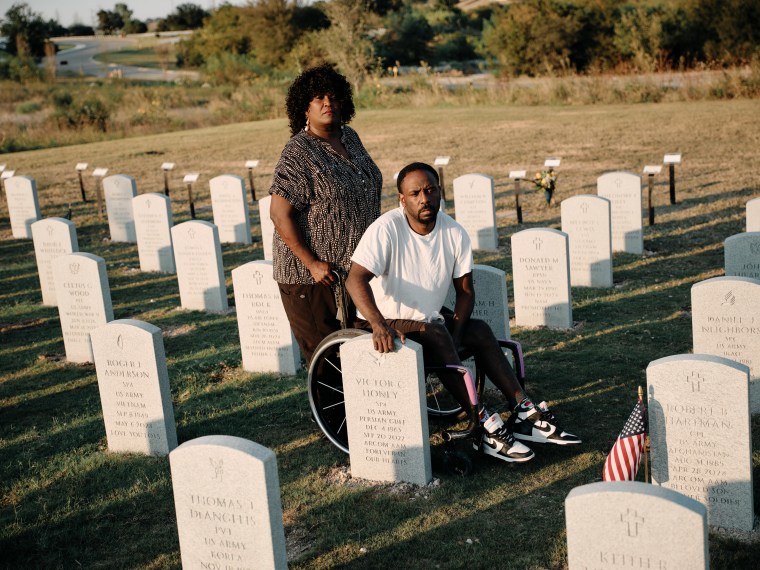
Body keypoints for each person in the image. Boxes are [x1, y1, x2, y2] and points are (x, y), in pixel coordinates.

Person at [345, 162, 581, 463]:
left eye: (430, 190)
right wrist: (378, 324)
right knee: (436, 332)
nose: (424, 198)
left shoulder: (453, 231)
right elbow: (355, 278)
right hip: (381, 319)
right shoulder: (386, 229)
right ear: (402, 200)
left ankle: (522, 409)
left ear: (439, 191)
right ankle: (482, 422)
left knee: (479, 330)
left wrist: (456, 337)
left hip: (428, 319)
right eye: (415, 193)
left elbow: (466, 291)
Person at [269, 64, 382, 365]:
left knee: (357, 349)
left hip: (353, 269)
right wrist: (312, 263)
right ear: (304, 107)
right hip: (312, 276)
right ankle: (330, 413)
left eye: (333, 96)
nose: (327, 103)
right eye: (318, 97)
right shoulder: (298, 152)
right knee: (327, 357)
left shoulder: (351, 138)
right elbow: (280, 215)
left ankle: (364, 412)